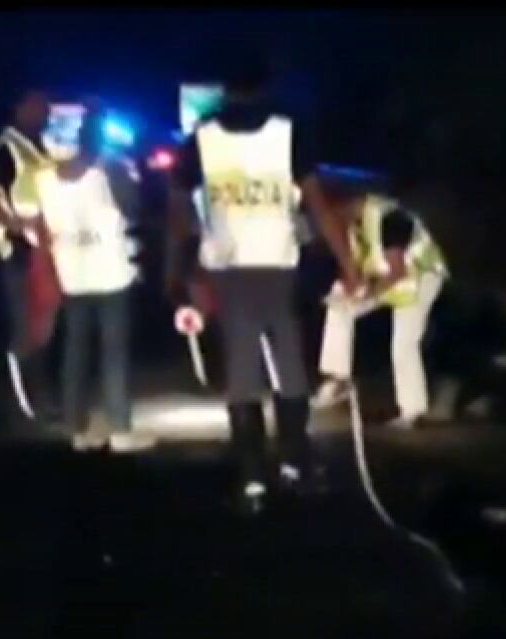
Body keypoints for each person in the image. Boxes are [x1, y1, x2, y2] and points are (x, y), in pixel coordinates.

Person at [165, 53, 360, 516]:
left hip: (227, 264)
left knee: (242, 364)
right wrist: (347, 263)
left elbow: (178, 211)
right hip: (276, 261)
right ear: (266, 86)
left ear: (225, 89)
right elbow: (318, 206)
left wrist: (175, 269)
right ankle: (296, 461)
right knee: (289, 358)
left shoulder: (201, 140)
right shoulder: (287, 133)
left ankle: (251, 473)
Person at [32, 104, 155, 453]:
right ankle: (120, 430)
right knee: (114, 354)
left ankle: (77, 429)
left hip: (72, 273)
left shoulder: (45, 179)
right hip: (112, 272)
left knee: (75, 351)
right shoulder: (109, 171)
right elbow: (133, 209)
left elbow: (42, 224)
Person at [313, 189, 449, 428]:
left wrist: (366, 295)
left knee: (404, 344)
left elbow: (398, 270)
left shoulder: (390, 217)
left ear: (346, 205)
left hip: (421, 277)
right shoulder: (353, 225)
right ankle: (339, 379)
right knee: (339, 304)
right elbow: (358, 267)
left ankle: (412, 410)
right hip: (392, 281)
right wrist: (350, 289)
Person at [0, 89, 60, 421]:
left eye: (46, 107)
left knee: (44, 326)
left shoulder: (37, 147)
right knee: (27, 329)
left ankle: (42, 395)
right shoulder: (7, 148)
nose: (45, 113)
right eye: (38, 106)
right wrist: (12, 222)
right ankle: (32, 403)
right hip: (20, 253)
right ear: (20, 108)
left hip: (44, 251)